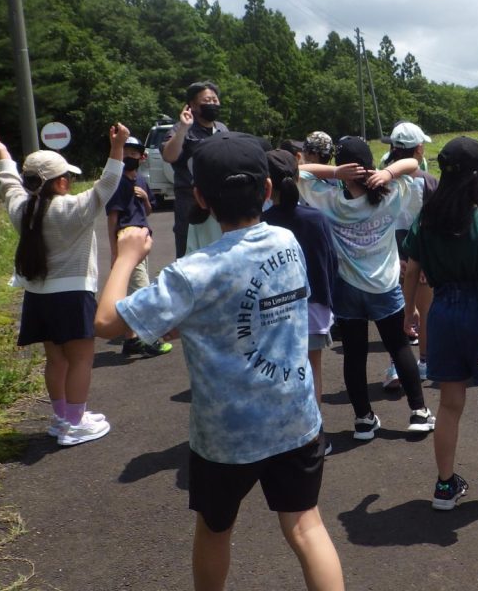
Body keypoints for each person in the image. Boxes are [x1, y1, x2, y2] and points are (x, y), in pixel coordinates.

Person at [93, 131, 345, 591]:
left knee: (214, 528)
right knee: (307, 526)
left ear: (202, 200)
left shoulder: (193, 274)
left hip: (227, 438)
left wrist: (126, 258)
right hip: (296, 417)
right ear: (266, 190)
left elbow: (107, 322)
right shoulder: (288, 242)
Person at [0, 124, 129, 446]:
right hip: (73, 296)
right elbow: (107, 185)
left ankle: (63, 418)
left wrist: (3, 154)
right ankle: (75, 425)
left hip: (38, 297)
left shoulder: (22, 209)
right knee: (81, 360)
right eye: (70, 177)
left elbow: (8, 184)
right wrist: (117, 147)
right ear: (61, 182)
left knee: (56, 360)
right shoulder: (74, 209)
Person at [401, 136, 478, 511]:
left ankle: (444, 486)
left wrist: (410, 312)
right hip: (477, 313)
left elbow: (411, 271)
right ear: (475, 180)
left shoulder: (426, 221)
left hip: (442, 312)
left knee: (451, 404)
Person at [298, 136, 435, 440]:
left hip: (346, 288)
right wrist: (387, 174)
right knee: (399, 347)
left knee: (354, 355)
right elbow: (413, 164)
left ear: (344, 169)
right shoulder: (392, 195)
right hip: (385, 287)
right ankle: (418, 411)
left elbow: (299, 172)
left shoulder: (329, 200)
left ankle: (363, 419)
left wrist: (335, 174)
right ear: (372, 166)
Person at [262, 149, 338, 438]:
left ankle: (283, 434)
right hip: (314, 306)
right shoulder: (315, 219)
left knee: (277, 371)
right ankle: (315, 432)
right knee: (312, 369)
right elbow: (329, 262)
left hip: (274, 311)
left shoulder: (262, 221)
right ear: (298, 176)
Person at [105, 136, 172, 358]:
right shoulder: (116, 183)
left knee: (134, 292)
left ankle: (130, 339)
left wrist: (144, 199)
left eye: (134, 154)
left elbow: (148, 211)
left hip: (142, 239)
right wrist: (115, 251)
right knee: (142, 291)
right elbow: (112, 218)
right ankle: (150, 340)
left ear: (141, 157)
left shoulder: (142, 181)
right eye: (125, 153)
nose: (129, 157)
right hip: (127, 239)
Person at [383, 121, 437, 385]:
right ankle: (425, 362)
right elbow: (435, 224)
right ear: (419, 149)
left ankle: (395, 365)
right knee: (425, 310)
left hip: (390, 255)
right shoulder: (428, 181)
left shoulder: (381, 180)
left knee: (397, 312)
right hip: (422, 254)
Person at [161, 81, 229, 257]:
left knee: (220, 251)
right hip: (189, 202)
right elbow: (169, 156)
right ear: (193, 105)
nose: (213, 104)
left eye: (215, 100)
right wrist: (184, 128)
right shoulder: (180, 128)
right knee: (189, 253)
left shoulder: (222, 129)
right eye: (207, 100)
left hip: (220, 202)